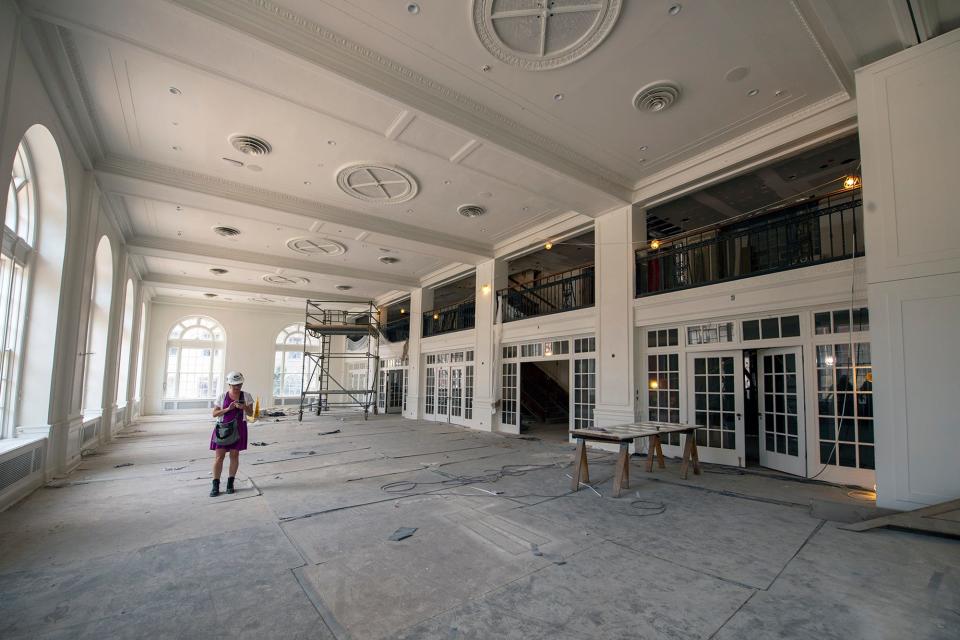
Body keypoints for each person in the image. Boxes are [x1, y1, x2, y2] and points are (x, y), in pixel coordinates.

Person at [209, 371, 253, 497]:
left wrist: (243, 407)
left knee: (234, 456)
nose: (237, 387)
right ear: (229, 384)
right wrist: (228, 409)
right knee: (219, 457)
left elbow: (251, 414)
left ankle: (230, 483)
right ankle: (215, 484)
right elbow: (214, 414)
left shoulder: (247, 396)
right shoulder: (222, 396)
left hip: (239, 428)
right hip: (223, 429)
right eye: (234, 385)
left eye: (239, 384)